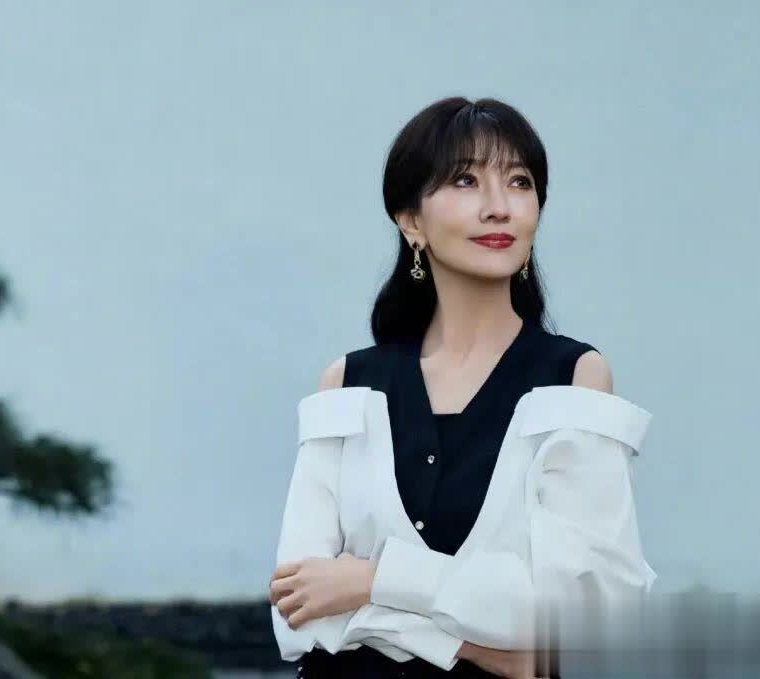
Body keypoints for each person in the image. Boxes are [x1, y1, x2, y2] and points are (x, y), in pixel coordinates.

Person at [268, 97, 656, 678]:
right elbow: (297, 613)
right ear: (411, 221)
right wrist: (486, 647)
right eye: (466, 181)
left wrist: (372, 581)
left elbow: (585, 617)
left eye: (519, 183)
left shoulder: (574, 378)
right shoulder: (348, 385)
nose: (499, 207)